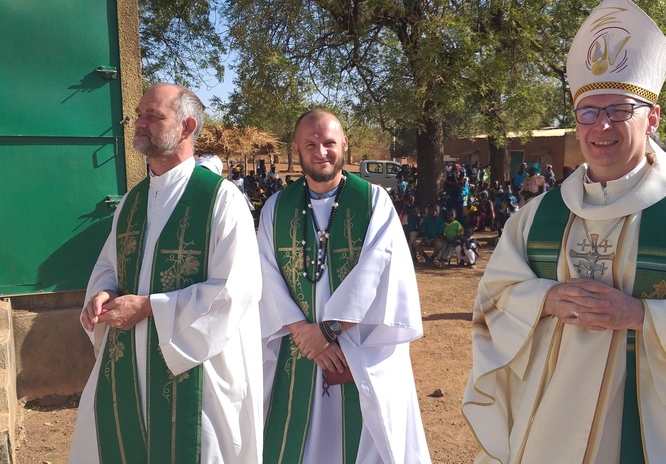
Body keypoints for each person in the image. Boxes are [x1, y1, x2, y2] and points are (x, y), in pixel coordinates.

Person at [463, 0, 666, 463]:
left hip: (659, 432)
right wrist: (545, 300)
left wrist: (643, 317)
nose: (603, 126)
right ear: (576, 124)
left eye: (620, 110)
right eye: (589, 112)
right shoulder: (539, 216)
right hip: (551, 425)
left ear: (652, 118)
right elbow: (493, 300)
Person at [69, 83, 264, 463]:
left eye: (152, 116)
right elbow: (110, 264)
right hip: (126, 364)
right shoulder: (131, 201)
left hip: (193, 371)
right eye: (138, 115)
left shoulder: (221, 200)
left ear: (187, 126)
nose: (138, 123)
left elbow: (234, 290)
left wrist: (149, 307)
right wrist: (103, 292)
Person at [257, 108, 430, 463]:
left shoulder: (373, 201)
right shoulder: (276, 208)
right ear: (296, 149)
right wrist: (306, 334)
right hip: (298, 350)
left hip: (357, 348)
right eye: (311, 144)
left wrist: (328, 331)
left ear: (345, 146)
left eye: (329, 143)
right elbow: (267, 275)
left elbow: (378, 271)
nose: (321, 152)